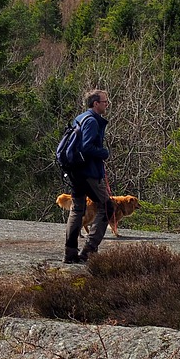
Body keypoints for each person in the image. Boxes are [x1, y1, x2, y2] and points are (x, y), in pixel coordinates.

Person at [64, 89, 113, 265]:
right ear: (95, 103)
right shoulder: (92, 121)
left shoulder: (80, 118)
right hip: (89, 173)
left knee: (77, 209)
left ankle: (70, 253)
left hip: (75, 171)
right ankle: (89, 251)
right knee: (107, 207)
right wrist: (104, 153)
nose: (107, 104)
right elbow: (86, 147)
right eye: (105, 102)